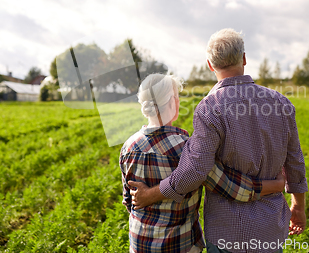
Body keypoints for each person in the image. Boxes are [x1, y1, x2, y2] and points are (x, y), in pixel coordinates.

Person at [129, 29, 308, 253]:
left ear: (210, 65)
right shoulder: (280, 102)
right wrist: (298, 206)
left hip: (226, 231)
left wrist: (149, 195)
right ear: (243, 58)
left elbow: (194, 172)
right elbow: (295, 162)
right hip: (270, 227)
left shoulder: (209, 108)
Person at [120, 73, 285, 253]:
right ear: (171, 102)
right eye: (177, 97)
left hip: (139, 244)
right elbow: (231, 186)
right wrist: (274, 185)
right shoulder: (187, 148)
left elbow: (129, 201)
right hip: (179, 244)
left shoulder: (128, 147)